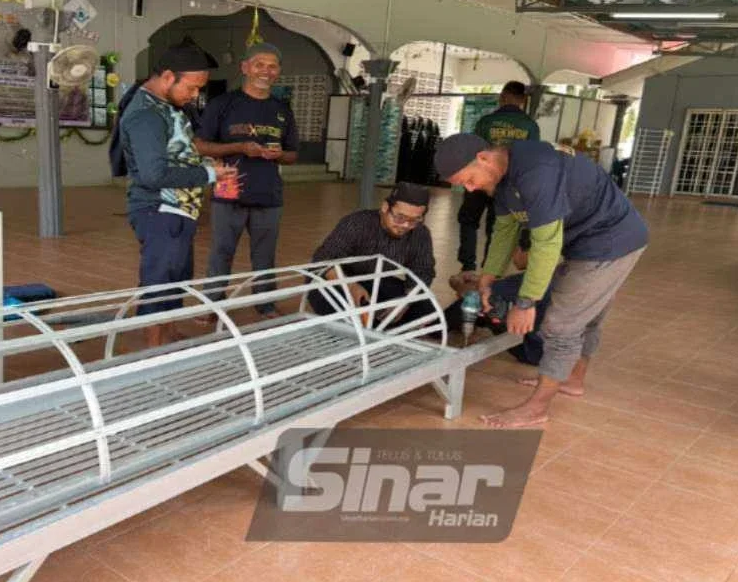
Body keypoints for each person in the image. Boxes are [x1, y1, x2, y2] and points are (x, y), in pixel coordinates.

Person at [434, 133, 648, 428]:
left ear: (483, 158)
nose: (471, 189)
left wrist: (526, 301)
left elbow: (546, 243)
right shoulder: (504, 179)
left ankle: (536, 408)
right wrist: (486, 279)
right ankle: (572, 379)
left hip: (611, 241)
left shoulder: (537, 171)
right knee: (586, 315)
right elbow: (505, 231)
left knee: (561, 325)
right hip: (584, 242)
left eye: (468, 180)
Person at [117, 40, 238, 347]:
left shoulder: (166, 106)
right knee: (159, 280)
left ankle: (169, 334)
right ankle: (154, 347)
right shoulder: (145, 113)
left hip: (180, 210)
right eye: (193, 87)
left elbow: (175, 151)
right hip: (159, 210)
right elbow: (152, 174)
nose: (195, 95)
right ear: (169, 77)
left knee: (177, 278)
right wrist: (209, 174)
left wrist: (201, 161)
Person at [194, 43, 299, 319]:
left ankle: (265, 304)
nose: (266, 71)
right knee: (221, 252)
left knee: (265, 257)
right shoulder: (223, 104)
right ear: (245, 68)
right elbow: (201, 146)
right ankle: (211, 305)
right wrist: (239, 148)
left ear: (278, 71)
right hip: (229, 190)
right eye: (259, 64)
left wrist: (278, 155)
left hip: (269, 195)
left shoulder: (282, 110)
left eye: (272, 66)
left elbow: (292, 155)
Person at [309, 182, 436, 328]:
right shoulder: (357, 223)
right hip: (336, 281)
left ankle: (378, 323)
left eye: (415, 220)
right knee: (346, 313)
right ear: (385, 207)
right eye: (400, 217)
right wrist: (350, 287)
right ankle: (373, 325)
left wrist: (405, 301)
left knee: (425, 307)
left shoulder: (420, 233)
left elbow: (423, 270)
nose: (406, 225)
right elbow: (322, 260)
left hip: (375, 281)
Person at [458, 81, 540, 276]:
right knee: (497, 227)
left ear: (503, 96)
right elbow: (532, 159)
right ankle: (490, 269)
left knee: (468, 220)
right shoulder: (530, 126)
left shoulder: (486, 122)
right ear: (523, 100)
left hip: (481, 180)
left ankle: (468, 266)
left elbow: (474, 151)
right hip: (509, 185)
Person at [445, 246, 559, 365]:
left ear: (525, 252)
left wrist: (461, 285)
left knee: (473, 303)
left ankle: (435, 327)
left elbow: (481, 293)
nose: (512, 257)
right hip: (563, 352)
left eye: (514, 250)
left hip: (534, 353)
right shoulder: (559, 272)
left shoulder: (522, 282)